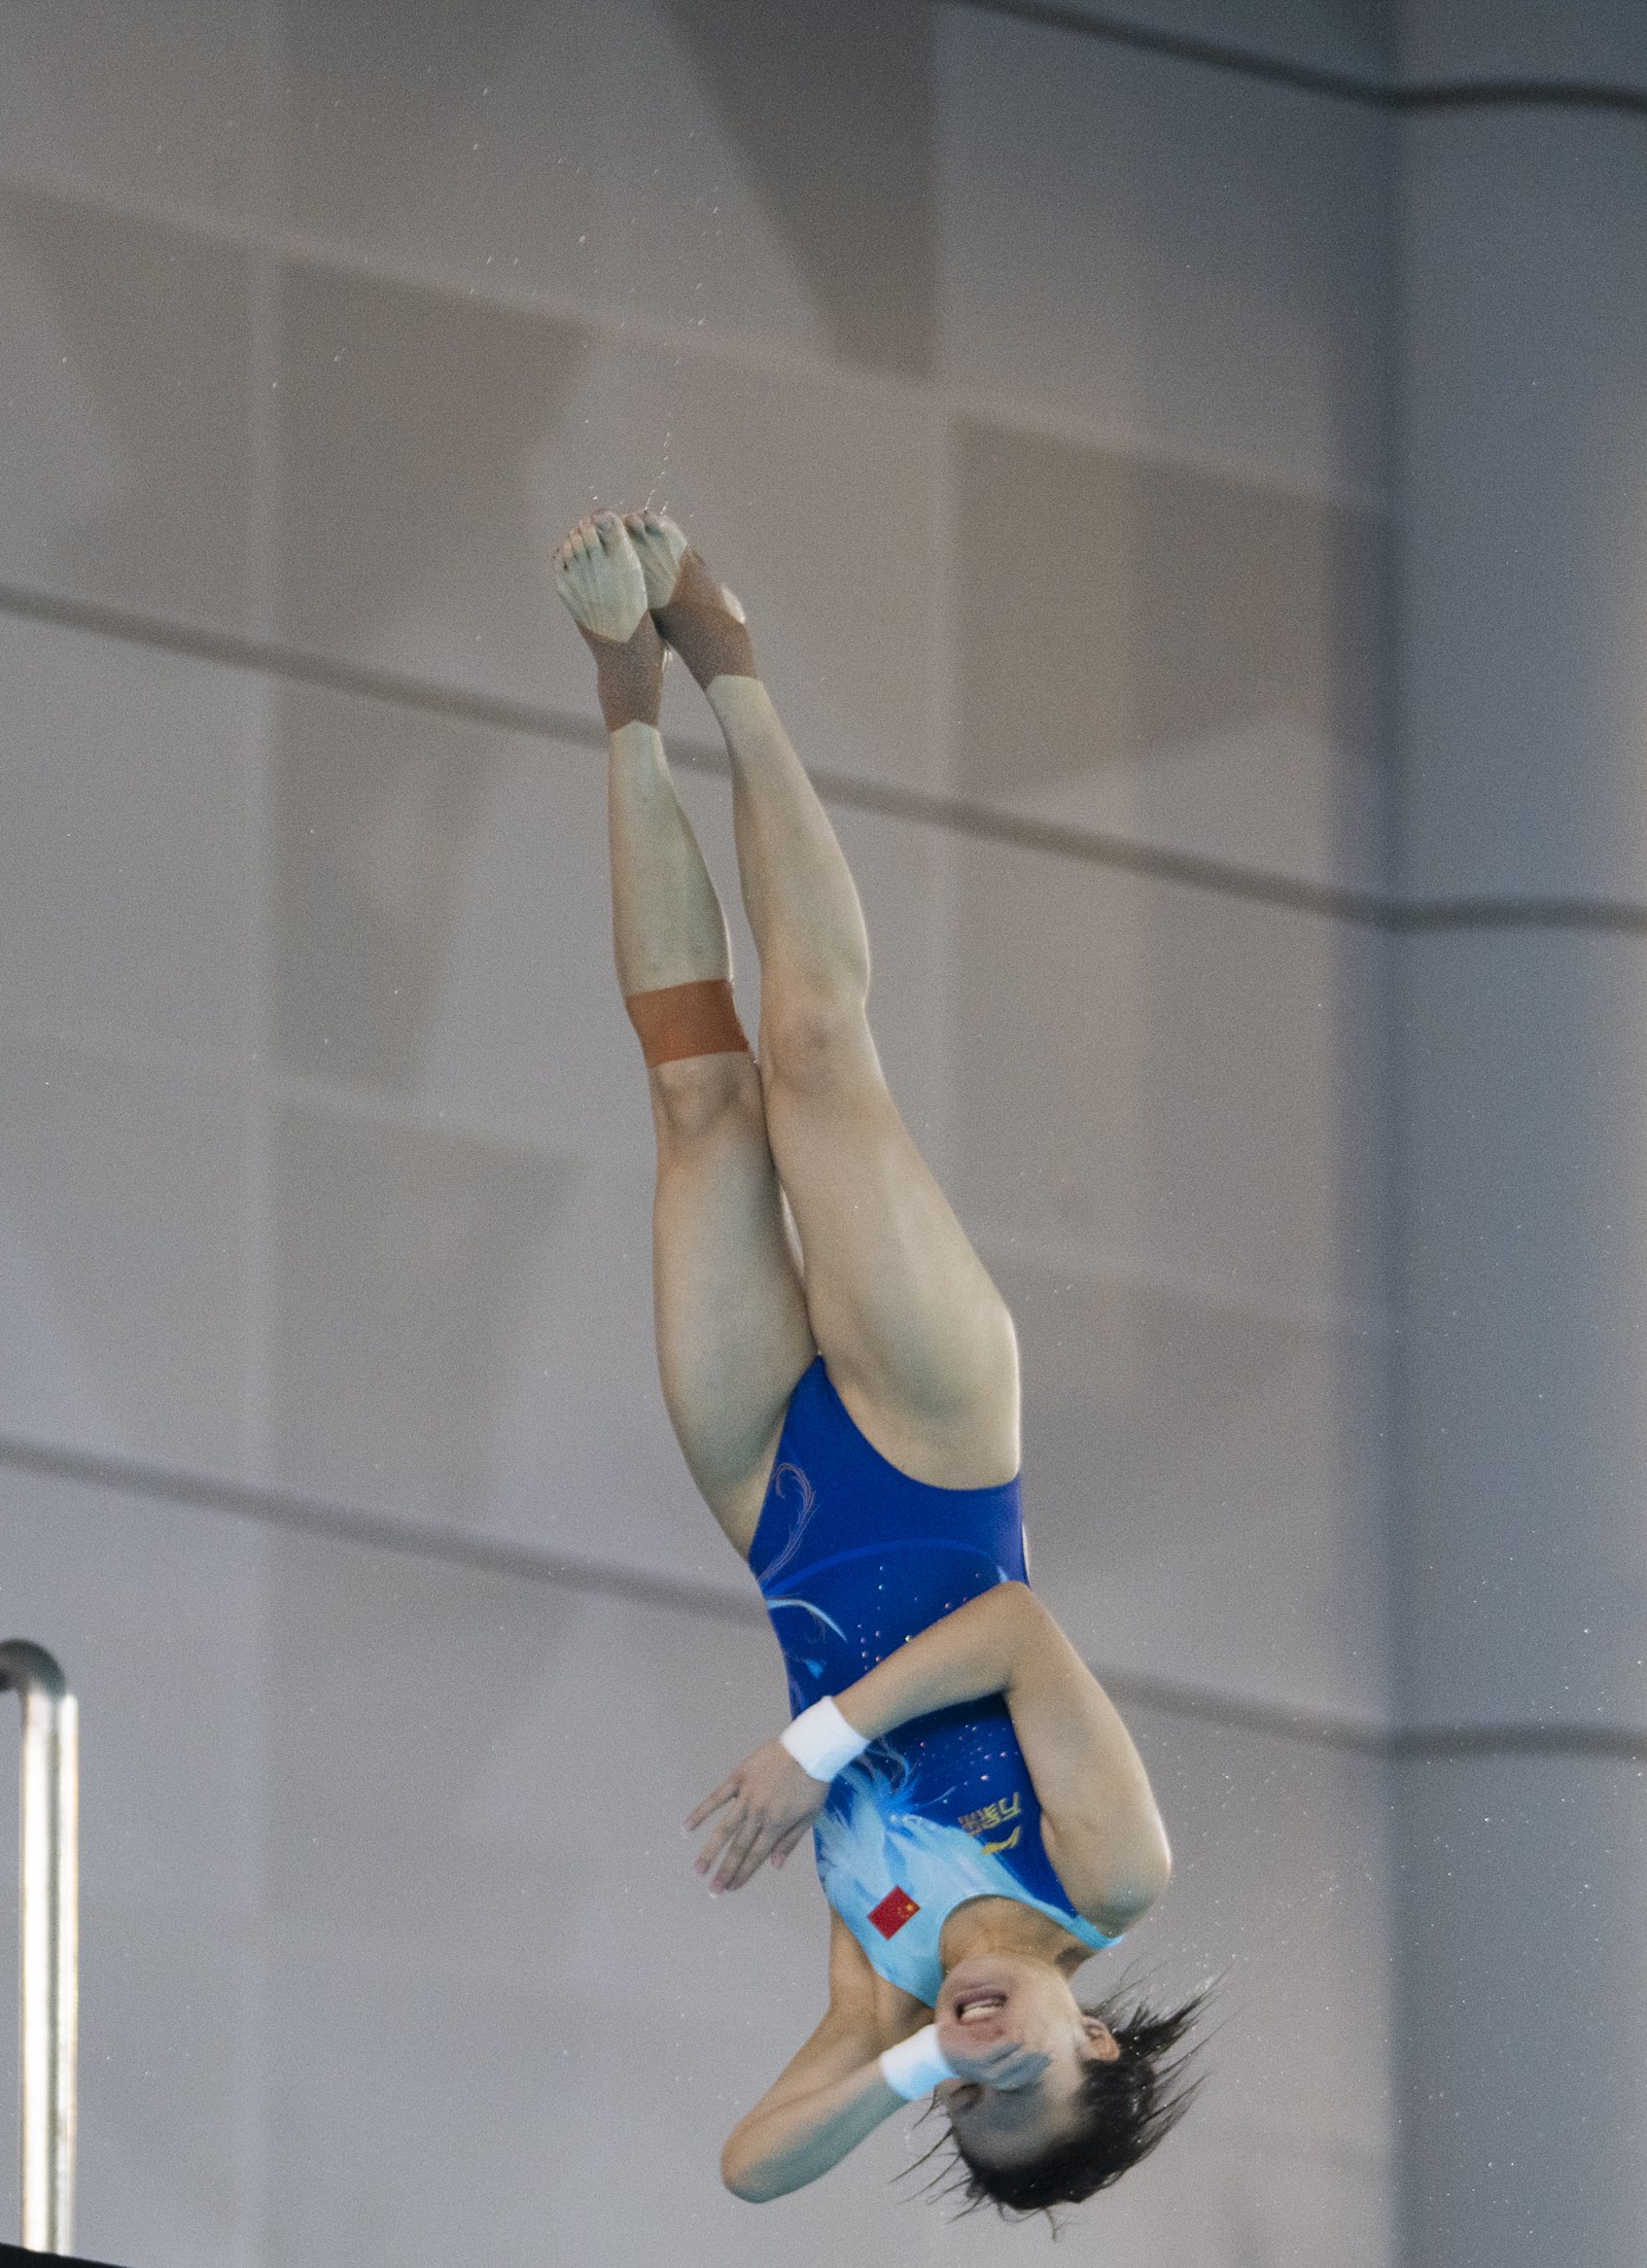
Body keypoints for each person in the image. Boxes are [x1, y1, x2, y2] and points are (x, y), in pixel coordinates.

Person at [551, 507, 1200, 2215]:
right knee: (819, 1053)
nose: (981, 2057)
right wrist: (812, 1752)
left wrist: (907, 2054)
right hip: (933, 1444)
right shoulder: (1112, 1872)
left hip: (775, 1494)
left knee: (699, 1097)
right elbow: (1012, 1630)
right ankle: (728, 656)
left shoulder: (882, 1981)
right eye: (1023, 2073)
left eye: (965, 2100)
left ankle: (623, 693)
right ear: (1102, 2039)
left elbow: (753, 2173)